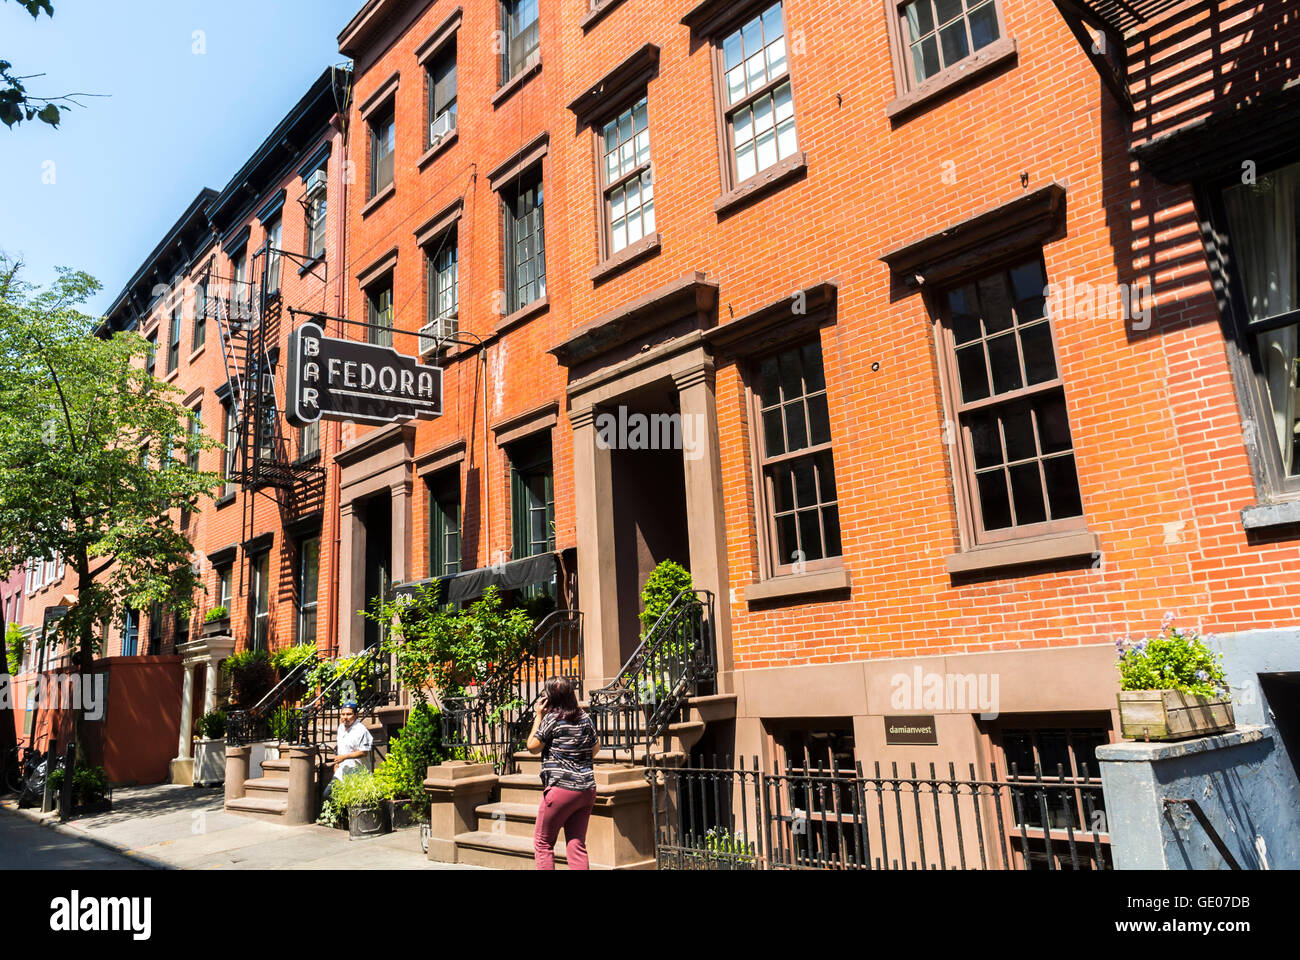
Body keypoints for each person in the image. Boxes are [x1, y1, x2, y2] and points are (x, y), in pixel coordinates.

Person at [527, 676, 599, 870]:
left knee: (543, 844)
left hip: (561, 790)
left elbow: (532, 746)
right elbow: (595, 748)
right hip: (586, 789)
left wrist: (538, 716)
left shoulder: (552, 718)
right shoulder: (584, 717)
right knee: (577, 845)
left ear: (550, 697)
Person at [330, 702, 373, 785]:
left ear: (356, 715)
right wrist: (337, 764)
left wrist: (344, 757)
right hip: (342, 771)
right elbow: (342, 747)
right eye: (343, 714)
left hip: (357, 773)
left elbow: (364, 752)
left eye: (349, 714)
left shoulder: (361, 731)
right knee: (327, 794)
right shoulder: (341, 728)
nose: (345, 717)